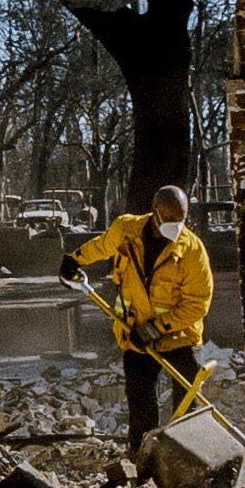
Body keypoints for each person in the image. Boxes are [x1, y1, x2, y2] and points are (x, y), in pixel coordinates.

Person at [69, 185, 215, 440]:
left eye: (179, 221)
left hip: (181, 338)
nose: (175, 227)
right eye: (169, 220)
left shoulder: (192, 249)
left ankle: (184, 456)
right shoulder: (127, 230)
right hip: (136, 335)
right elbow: (102, 246)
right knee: (141, 409)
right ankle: (142, 458)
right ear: (154, 211)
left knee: (187, 410)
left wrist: (156, 328)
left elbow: (198, 303)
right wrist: (74, 260)